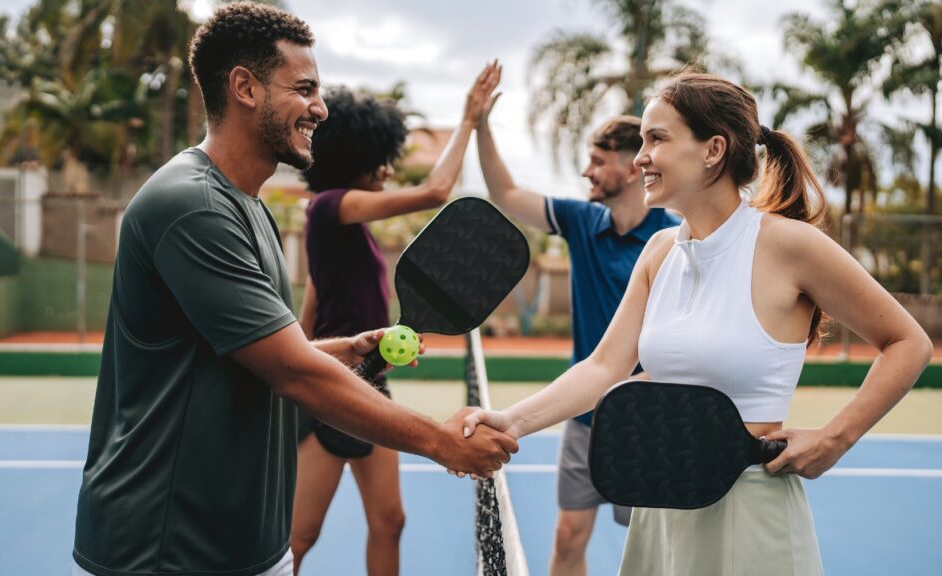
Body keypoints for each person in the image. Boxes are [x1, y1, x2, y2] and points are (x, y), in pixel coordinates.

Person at [71, 5, 516, 576]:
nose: (320, 108)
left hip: (244, 546)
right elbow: (292, 371)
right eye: (304, 88)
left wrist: (348, 350)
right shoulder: (194, 208)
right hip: (168, 550)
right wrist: (440, 441)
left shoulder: (250, 209)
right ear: (244, 88)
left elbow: (258, 355)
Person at [460, 72, 932, 576]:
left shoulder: (790, 244)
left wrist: (837, 438)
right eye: (641, 141)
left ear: (713, 150)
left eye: (657, 139)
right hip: (660, 507)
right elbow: (603, 368)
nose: (640, 156)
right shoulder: (660, 251)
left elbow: (909, 342)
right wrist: (511, 420)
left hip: (748, 509)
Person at [290, 65, 499, 575]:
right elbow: (435, 191)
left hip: (369, 384)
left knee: (389, 521)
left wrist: (330, 350)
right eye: (379, 161)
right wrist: (469, 119)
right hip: (333, 392)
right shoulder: (329, 206)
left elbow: (313, 307)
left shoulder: (341, 226)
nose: (386, 170)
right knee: (297, 538)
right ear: (353, 158)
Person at [471, 64, 679, 575]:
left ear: (634, 167)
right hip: (586, 418)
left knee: (656, 552)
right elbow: (507, 195)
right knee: (567, 538)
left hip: (652, 421)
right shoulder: (583, 221)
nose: (586, 172)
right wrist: (480, 125)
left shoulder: (676, 239)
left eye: (597, 161)